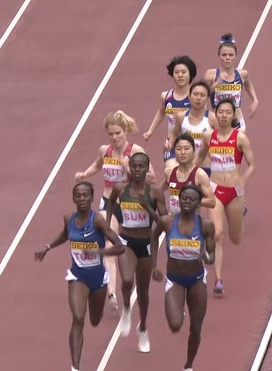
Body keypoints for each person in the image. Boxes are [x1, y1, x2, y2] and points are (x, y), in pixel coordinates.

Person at [34, 182, 125, 371]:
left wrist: (99, 253)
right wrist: (48, 247)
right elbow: (64, 235)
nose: (82, 199)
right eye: (78, 195)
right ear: (73, 198)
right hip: (78, 277)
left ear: (92, 198)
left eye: (85, 195)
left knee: (94, 319)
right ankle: (75, 367)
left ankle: (97, 310)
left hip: (99, 279)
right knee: (77, 318)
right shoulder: (69, 219)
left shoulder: (98, 220)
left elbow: (119, 246)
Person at [75, 110, 156, 311]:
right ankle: (111, 293)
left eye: (118, 133)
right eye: (111, 134)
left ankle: (135, 278)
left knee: (132, 249)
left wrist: (129, 169)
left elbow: (152, 177)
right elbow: (97, 164)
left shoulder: (136, 150)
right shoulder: (105, 150)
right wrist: (85, 173)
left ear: (125, 131)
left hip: (130, 205)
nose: (114, 137)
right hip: (108, 202)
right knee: (109, 246)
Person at [151, 184, 216, 371]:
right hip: (175, 279)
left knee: (196, 327)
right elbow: (153, 237)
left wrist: (206, 257)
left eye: (192, 199)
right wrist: (155, 265)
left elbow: (212, 257)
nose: (187, 202)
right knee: (175, 325)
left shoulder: (205, 226)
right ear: (178, 201)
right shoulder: (167, 222)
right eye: (184, 199)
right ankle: (179, 305)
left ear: (198, 204)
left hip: (196, 280)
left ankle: (188, 365)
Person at [106, 152, 167, 353]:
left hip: (147, 243)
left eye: (142, 166)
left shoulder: (155, 192)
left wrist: (147, 208)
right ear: (129, 168)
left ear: (148, 168)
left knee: (143, 292)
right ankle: (126, 309)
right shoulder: (120, 188)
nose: (138, 170)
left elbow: (165, 222)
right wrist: (108, 229)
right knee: (126, 281)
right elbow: (110, 204)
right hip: (127, 241)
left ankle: (143, 328)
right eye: (134, 166)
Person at [195, 98, 255, 296]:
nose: (223, 116)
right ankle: (218, 280)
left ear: (233, 115)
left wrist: (243, 181)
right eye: (220, 112)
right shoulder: (208, 137)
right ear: (216, 113)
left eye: (228, 112)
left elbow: (252, 164)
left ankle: (239, 218)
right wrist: (190, 172)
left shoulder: (240, 138)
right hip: (215, 189)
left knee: (235, 237)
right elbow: (200, 157)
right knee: (218, 233)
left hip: (234, 191)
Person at [143, 56, 197, 170]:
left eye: (183, 72)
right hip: (172, 144)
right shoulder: (166, 96)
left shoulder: (195, 97)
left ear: (190, 74)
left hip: (191, 144)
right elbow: (161, 112)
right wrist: (150, 131)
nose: (180, 75)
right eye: (176, 72)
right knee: (171, 173)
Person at [204, 33, 259, 132]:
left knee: (238, 146)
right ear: (219, 56)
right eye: (224, 55)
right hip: (218, 122)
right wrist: (215, 85)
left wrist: (255, 100)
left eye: (230, 55)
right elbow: (202, 94)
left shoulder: (242, 74)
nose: (227, 58)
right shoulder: (211, 74)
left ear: (235, 56)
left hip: (237, 122)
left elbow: (247, 83)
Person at [171, 80, 216, 176]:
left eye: (202, 95)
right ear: (189, 96)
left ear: (207, 98)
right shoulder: (181, 117)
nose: (198, 98)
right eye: (195, 94)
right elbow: (174, 136)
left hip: (206, 167)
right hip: (186, 166)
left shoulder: (213, 119)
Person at [164, 133, 216, 214]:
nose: (183, 152)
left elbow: (212, 202)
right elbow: (159, 191)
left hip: (191, 223)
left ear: (193, 152)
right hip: (173, 220)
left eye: (187, 148)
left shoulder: (200, 175)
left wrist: (191, 200)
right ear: (174, 152)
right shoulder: (169, 173)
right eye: (179, 149)